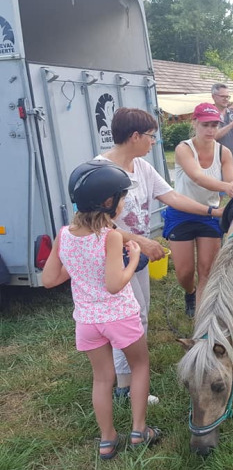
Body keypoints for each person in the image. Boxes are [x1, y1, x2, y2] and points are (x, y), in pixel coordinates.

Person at [98, 108, 225, 401]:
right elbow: (97, 223)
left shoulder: (142, 167)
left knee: (139, 315)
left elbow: (173, 197)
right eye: (151, 136)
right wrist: (141, 241)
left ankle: (127, 378)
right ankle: (125, 386)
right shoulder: (101, 171)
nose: (154, 142)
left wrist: (212, 211)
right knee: (128, 318)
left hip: (136, 256)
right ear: (135, 136)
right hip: (114, 259)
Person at [42, 161, 161, 459]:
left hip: (87, 322)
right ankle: (139, 431)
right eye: (122, 198)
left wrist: (79, 267)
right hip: (119, 316)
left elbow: (49, 279)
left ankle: (107, 439)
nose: (123, 203)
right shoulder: (112, 237)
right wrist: (134, 259)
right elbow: (114, 284)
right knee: (140, 366)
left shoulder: (64, 234)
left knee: (102, 379)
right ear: (109, 202)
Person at [164, 103, 233, 318]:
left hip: (210, 215)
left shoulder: (224, 152)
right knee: (184, 272)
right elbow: (198, 177)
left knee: (206, 270)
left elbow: (230, 180)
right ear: (194, 123)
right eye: (205, 125)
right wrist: (227, 186)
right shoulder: (183, 149)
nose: (210, 130)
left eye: (214, 125)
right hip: (182, 213)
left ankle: (201, 318)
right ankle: (190, 292)